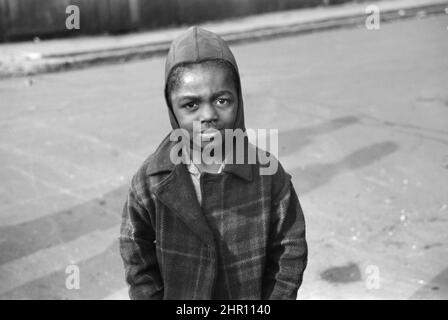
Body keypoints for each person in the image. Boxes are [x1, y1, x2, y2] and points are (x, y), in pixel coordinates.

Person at [119, 26, 307, 300]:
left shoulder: (268, 174)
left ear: (238, 100)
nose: (208, 115)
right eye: (190, 105)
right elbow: (135, 250)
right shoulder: (150, 181)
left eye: (222, 100)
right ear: (172, 109)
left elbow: (290, 250)